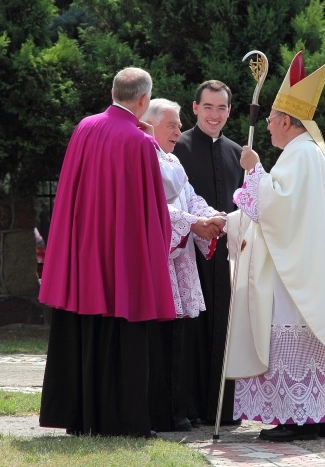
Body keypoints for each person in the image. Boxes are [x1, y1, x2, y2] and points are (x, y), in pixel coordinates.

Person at [224, 51, 325, 442]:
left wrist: (254, 170)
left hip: (294, 276)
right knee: (308, 342)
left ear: (287, 121)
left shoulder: (300, 154)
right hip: (307, 268)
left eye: (273, 120)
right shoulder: (310, 153)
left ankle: (295, 418)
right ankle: (318, 417)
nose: (269, 125)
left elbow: (278, 208)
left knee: (290, 338)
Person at [37, 67, 176, 438]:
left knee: (85, 330)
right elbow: (153, 212)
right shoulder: (141, 144)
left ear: (113, 91)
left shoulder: (84, 127)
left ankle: (80, 418)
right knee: (122, 333)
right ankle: (122, 420)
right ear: (144, 101)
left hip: (84, 254)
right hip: (122, 261)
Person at [142, 98, 226, 431]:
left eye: (179, 124)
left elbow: (190, 197)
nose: (179, 130)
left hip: (180, 261)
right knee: (158, 339)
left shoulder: (173, 160)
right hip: (156, 262)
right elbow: (149, 207)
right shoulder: (142, 156)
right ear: (151, 125)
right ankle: (158, 412)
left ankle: (178, 409)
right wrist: (193, 222)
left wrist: (211, 216)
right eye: (172, 124)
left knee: (180, 337)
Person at [172, 80, 244, 426]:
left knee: (227, 327)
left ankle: (224, 408)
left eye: (222, 108)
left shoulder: (238, 152)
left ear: (230, 111)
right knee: (193, 329)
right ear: (195, 108)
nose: (215, 115)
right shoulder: (178, 149)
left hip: (229, 254)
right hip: (190, 254)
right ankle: (188, 405)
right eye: (209, 107)